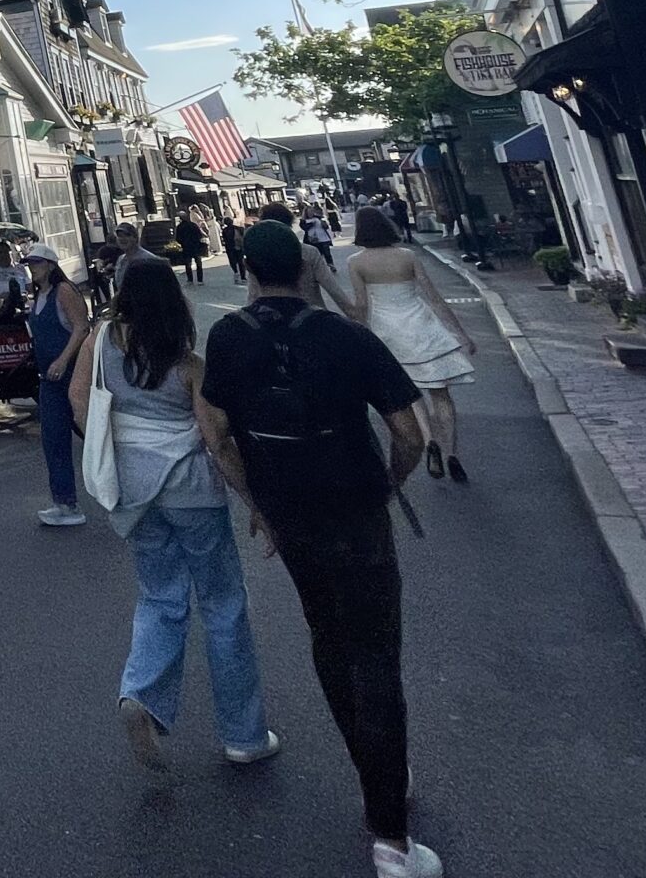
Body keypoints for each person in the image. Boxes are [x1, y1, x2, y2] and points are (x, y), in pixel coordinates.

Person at [205, 222, 438, 878]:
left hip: (292, 514)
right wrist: (385, 486)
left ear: (246, 268)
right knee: (374, 655)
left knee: (330, 642)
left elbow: (216, 434)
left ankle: (377, 775)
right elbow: (409, 433)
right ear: (308, 266)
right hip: (356, 512)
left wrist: (259, 506)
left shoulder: (227, 338)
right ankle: (390, 832)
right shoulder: (347, 337)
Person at [71, 256, 277, 771]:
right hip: (193, 493)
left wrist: (112, 448)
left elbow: (77, 404)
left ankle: (140, 693)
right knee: (224, 604)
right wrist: (258, 504)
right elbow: (217, 442)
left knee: (160, 598)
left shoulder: (98, 345)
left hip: (134, 490)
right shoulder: (188, 366)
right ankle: (244, 736)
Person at [333, 205, 478, 483]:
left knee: (412, 395)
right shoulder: (407, 256)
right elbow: (434, 297)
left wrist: (357, 336)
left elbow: (361, 306)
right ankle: (452, 454)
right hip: (422, 325)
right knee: (441, 394)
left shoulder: (356, 262)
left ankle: (428, 441)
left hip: (387, 331)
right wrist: (460, 333)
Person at [22, 242, 90, 528]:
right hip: (49, 377)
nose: (32, 268)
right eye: (30, 263)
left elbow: (81, 326)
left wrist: (63, 359)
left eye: (37, 263)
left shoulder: (63, 291)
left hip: (72, 373)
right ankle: (64, 501)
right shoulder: (39, 296)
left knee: (93, 433)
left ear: (50, 265)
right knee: (53, 439)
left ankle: (119, 490)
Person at [171, 205, 210, 285]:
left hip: (186, 247)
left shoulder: (179, 227)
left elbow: (178, 238)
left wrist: (182, 244)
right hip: (196, 246)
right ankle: (200, 280)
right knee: (198, 263)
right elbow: (199, 234)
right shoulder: (193, 225)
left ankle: (190, 280)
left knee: (188, 264)